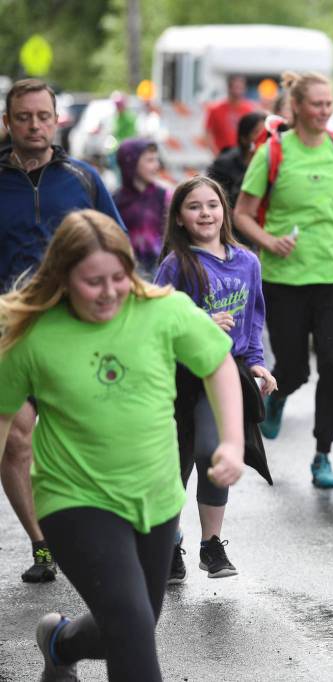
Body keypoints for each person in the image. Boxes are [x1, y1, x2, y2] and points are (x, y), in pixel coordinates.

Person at [0, 209, 243, 681]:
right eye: (93, 282)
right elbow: (4, 413)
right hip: (75, 497)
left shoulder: (163, 310)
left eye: (119, 276)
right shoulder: (32, 335)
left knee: (134, 620)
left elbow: (217, 363)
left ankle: (60, 642)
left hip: (155, 497)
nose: (110, 291)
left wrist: (231, 442)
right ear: (63, 276)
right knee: (132, 625)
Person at [234, 71, 333, 489]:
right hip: (283, 280)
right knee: (296, 368)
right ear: (297, 107)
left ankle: (323, 453)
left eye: (328, 103)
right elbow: (242, 214)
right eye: (316, 104)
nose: (324, 111)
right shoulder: (273, 153)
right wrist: (268, 240)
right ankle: (280, 395)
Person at [0, 78, 124, 583]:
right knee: (17, 440)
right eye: (23, 117)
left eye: (42, 117)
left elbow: (114, 246)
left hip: (75, 323)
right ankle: (43, 545)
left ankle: (99, 527)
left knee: (87, 432)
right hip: (9, 326)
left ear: (57, 120)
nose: (34, 126)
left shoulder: (83, 178)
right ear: (8, 123)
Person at [155, 176, 277, 583]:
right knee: (174, 464)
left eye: (212, 204)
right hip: (178, 375)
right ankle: (170, 542)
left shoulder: (248, 261)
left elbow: (254, 319)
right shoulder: (176, 264)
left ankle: (212, 544)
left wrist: (258, 364)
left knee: (213, 450)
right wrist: (201, 323)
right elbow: (154, 321)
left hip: (225, 372)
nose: (205, 213)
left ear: (225, 211)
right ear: (179, 217)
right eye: (194, 206)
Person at [114, 138, 171, 278]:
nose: (156, 165)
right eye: (150, 160)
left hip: (160, 269)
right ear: (131, 163)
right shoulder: (115, 200)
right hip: (128, 270)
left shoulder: (164, 196)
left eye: (156, 160)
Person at [206, 111, 269, 209]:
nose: (263, 137)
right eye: (257, 132)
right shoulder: (223, 165)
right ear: (244, 138)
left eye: (266, 133)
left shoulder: (272, 162)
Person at [205, 75, 257, 155]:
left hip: (242, 155)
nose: (238, 91)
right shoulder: (215, 109)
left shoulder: (250, 109)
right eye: (235, 87)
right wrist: (216, 153)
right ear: (229, 88)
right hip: (222, 154)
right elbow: (208, 133)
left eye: (241, 88)